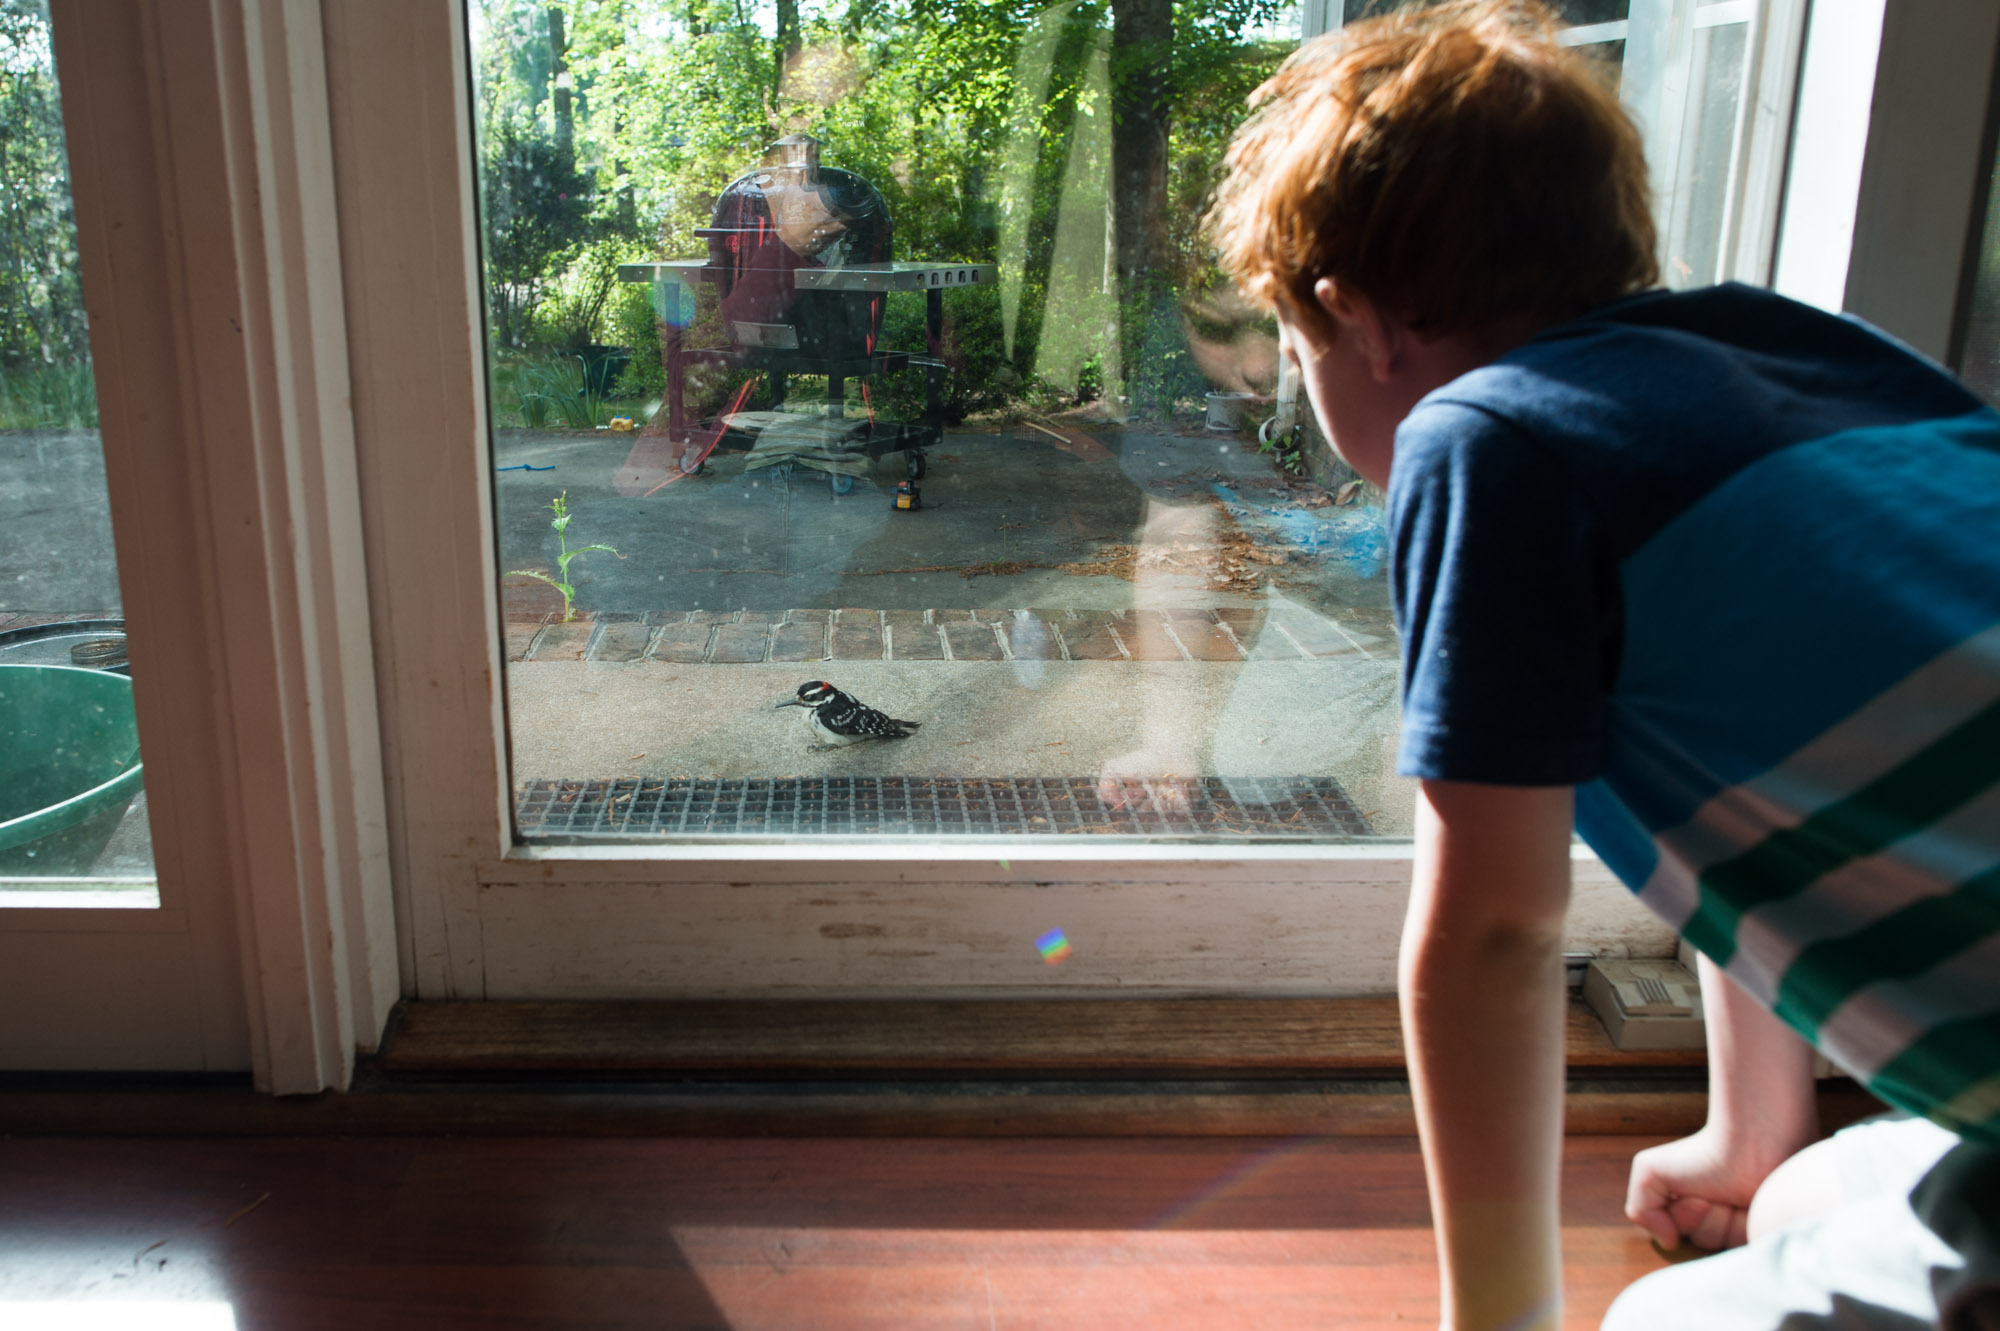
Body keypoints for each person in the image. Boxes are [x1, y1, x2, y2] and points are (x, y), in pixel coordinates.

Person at [1205, 2, 2000, 1328]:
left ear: (1360, 321)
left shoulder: (1487, 441)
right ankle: (1765, 1145)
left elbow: (1498, 933)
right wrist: (1754, 1139)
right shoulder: (1804, 355)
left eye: (1297, 353)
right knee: (1804, 1202)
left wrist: (1498, 1318)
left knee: (1644, 1324)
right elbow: (1750, 789)